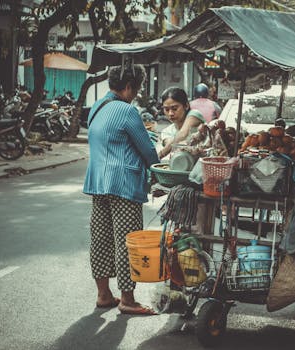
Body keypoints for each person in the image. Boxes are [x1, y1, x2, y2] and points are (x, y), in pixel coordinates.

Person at [83, 64, 160, 315]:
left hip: (98, 183)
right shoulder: (128, 111)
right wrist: (160, 167)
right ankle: (127, 299)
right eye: (136, 89)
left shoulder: (97, 107)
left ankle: (104, 295)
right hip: (123, 185)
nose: (135, 94)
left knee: (101, 239)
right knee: (128, 242)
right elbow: (148, 151)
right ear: (128, 87)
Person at [158, 87, 205, 159]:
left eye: (174, 108)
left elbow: (183, 134)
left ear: (186, 106)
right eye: (167, 109)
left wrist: (159, 156)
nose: (170, 113)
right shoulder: (166, 131)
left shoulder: (195, 114)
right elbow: (170, 144)